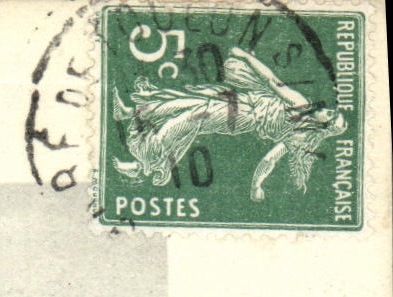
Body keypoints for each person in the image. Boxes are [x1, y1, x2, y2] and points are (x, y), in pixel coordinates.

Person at [111, 47, 348, 202]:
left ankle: (142, 163)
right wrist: (245, 57)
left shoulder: (298, 128)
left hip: (240, 115)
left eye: (328, 115)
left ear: (323, 126)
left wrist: (256, 185)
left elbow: (270, 159)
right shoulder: (302, 107)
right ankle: (130, 113)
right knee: (187, 103)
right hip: (242, 101)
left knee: (186, 118)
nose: (325, 109)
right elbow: (273, 83)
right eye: (330, 111)